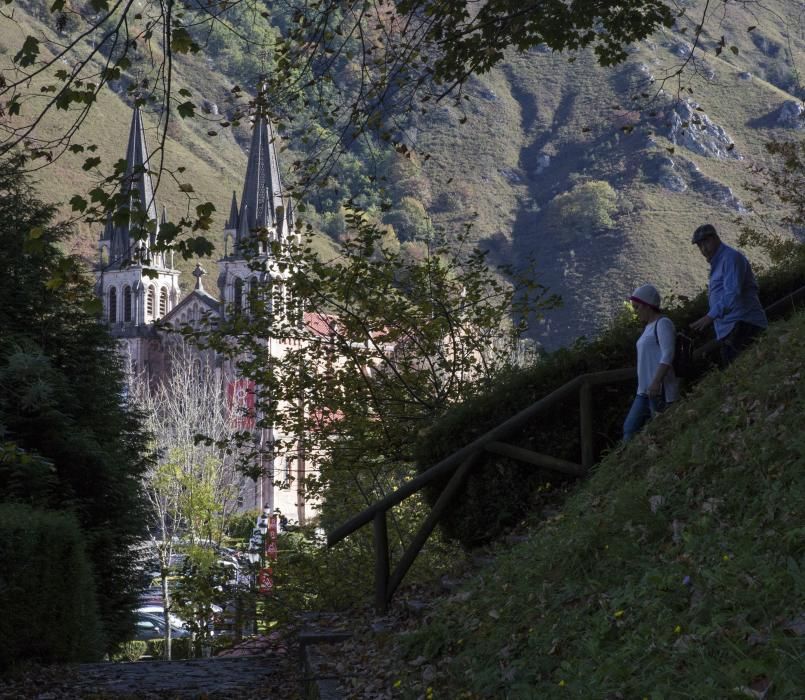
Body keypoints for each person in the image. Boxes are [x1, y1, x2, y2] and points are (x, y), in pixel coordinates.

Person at [689, 224, 767, 366]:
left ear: (715, 238)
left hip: (743, 324)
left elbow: (732, 293)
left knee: (742, 371)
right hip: (732, 328)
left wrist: (710, 316)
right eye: (700, 246)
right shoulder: (719, 262)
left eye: (706, 242)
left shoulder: (730, 258)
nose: (703, 249)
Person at [623, 284, 679, 442]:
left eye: (637, 307)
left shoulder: (663, 323)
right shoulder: (649, 327)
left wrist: (656, 381)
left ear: (647, 305)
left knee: (661, 431)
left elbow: (668, 354)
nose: (635, 311)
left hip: (659, 390)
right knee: (629, 428)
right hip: (644, 391)